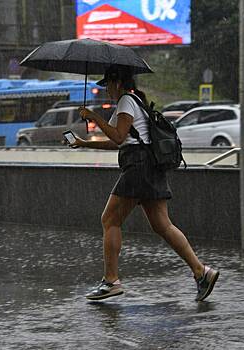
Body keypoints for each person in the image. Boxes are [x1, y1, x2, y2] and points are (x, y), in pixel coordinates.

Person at [69, 65, 219, 302]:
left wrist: (94, 117)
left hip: (138, 167)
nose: (106, 89)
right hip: (150, 167)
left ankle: (111, 281)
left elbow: (118, 137)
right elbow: (119, 141)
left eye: (107, 84)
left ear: (117, 82)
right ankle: (202, 272)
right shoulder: (132, 102)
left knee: (109, 219)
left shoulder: (127, 101)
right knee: (163, 226)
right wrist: (83, 143)